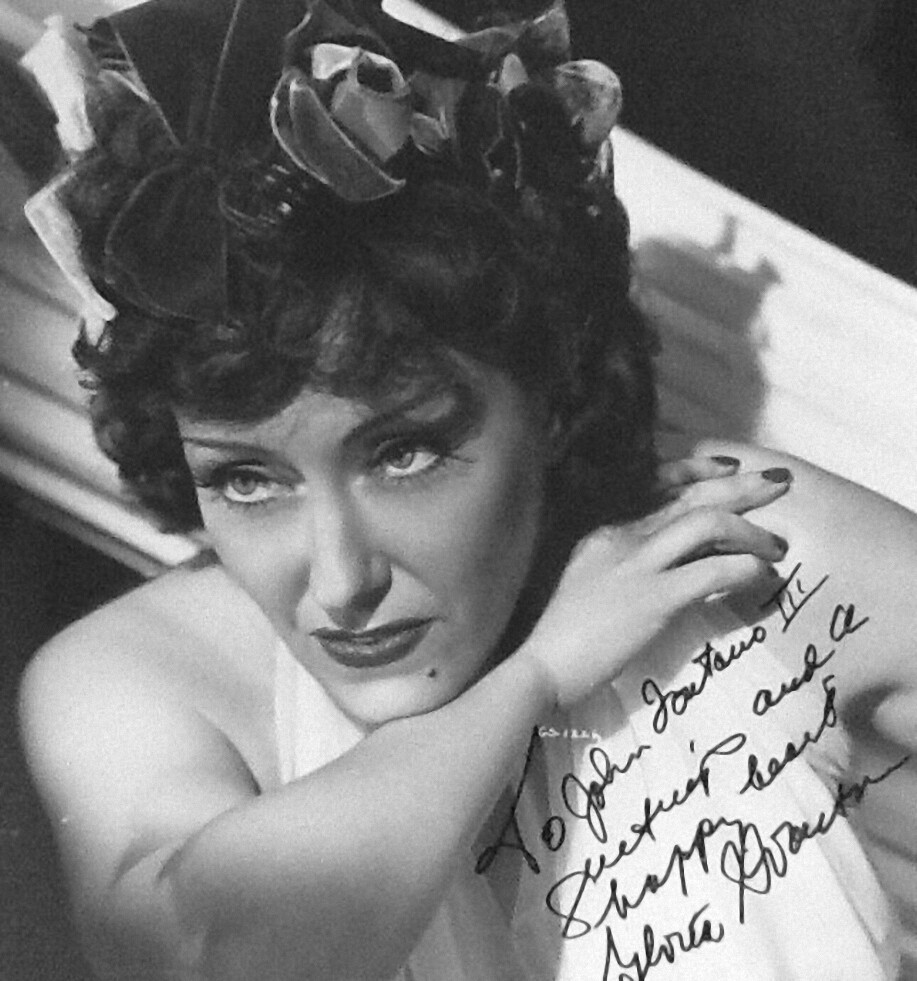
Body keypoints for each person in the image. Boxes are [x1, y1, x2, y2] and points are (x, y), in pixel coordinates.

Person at [17, 1, 917, 979]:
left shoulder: (756, 561)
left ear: (551, 400)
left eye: (403, 454)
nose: (341, 581)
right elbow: (209, 960)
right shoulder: (137, 678)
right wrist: (538, 676)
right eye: (246, 479)